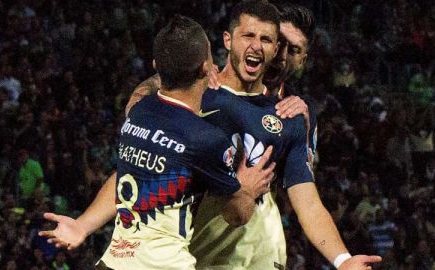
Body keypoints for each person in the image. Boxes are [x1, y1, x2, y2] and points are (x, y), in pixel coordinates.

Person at [41, 1, 381, 269]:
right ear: (228, 40)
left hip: (260, 257)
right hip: (198, 255)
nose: (259, 47)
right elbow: (137, 171)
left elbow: (308, 201)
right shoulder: (197, 98)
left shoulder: (292, 117)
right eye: (249, 36)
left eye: (267, 40)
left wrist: (342, 259)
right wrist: (84, 225)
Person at [39, 15, 276, 270]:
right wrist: (248, 189)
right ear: (205, 69)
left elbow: (126, 177)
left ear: (156, 66)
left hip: (113, 263)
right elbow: (236, 215)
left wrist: (82, 224)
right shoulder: (206, 139)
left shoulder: (138, 112)